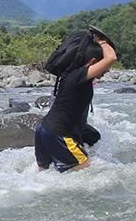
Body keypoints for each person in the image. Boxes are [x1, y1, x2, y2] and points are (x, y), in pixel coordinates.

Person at [34, 32, 116, 171]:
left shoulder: (71, 76)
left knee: (44, 178)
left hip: (43, 130)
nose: (107, 70)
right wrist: (102, 41)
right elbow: (111, 57)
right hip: (58, 133)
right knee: (88, 173)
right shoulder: (78, 75)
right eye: (104, 67)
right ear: (93, 63)